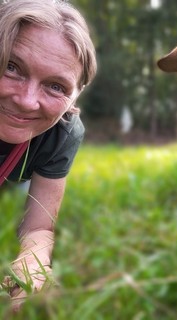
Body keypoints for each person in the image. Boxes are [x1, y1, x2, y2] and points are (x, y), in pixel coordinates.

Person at [0, 0, 97, 310]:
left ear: (74, 96)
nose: (28, 101)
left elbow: (37, 227)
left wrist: (31, 264)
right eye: (11, 67)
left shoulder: (63, 131)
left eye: (55, 86)